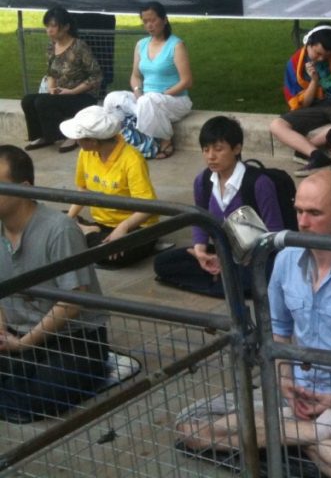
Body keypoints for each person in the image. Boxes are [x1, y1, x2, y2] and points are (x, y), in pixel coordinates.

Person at [177, 170, 331, 477]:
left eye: (314, 213)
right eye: (298, 211)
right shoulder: (285, 259)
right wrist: (285, 381)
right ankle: (313, 435)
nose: (303, 223)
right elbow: (278, 332)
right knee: (187, 425)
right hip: (296, 391)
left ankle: (285, 433)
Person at [0, 145, 108, 423]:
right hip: (15, 332)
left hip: (74, 339)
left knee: (38, 397)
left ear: (25, 188)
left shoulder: (59, 229)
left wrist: (24, 344)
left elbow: (71, 304)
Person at [153, 116, 285, 298]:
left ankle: (223, 282)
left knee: (267, 273)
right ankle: (224, 281)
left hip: (256, 257)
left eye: (218, 149)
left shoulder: (259, 183)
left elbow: (275, 232)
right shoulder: (203, 181)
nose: (210, 156)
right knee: (163, 263)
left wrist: (248, 259)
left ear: (237, 148)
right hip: (222, 252)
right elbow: (200, 219)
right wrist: (200, 250)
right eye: (205, 150)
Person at [61, 106, 160, 268]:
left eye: (80, 138)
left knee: (113, 255)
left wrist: (122, 228)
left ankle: (84, 233)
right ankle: (87, 232)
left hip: (134, 226)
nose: (77, 142)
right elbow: (83, 191)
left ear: (92, 141)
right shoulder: (85, 153)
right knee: (57, 220)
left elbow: (147, 207)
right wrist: (67, 219)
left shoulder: (132, 160)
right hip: (101, 223)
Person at [103, 1, 193, 160]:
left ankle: (165, 140)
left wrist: (163, 93)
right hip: (145, 98)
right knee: (112, 98)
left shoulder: (176, 45)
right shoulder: (141, 45)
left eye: (153, 20)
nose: (149, 25)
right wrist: (138, 92)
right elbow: (135, 76)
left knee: (148, 101)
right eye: (145, 21)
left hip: (174, 99)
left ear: (164, 20)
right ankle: (120, 136)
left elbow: (187, 81)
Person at [269, 24, 331, 177]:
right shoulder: (295, 63)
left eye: (326, 56)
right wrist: (314, 81)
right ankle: (316, 155)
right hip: (312, 107)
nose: (321, 58)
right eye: (318, 53)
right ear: (309, 43)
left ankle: (306, 150)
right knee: (276, 125)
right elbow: (302, 104)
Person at [21, 6, 104, 154]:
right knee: (28, 100)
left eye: (53, 26)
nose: (49, 30)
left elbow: (96, 76)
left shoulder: (79, 46)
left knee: (43, 102)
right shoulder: (51, 47)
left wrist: (72, 91)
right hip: (61, 94)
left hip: (82, 96)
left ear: (66, 27)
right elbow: (51, 73)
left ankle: (67, 135)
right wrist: (52, 89)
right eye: (47, 26)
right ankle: (43, 136)